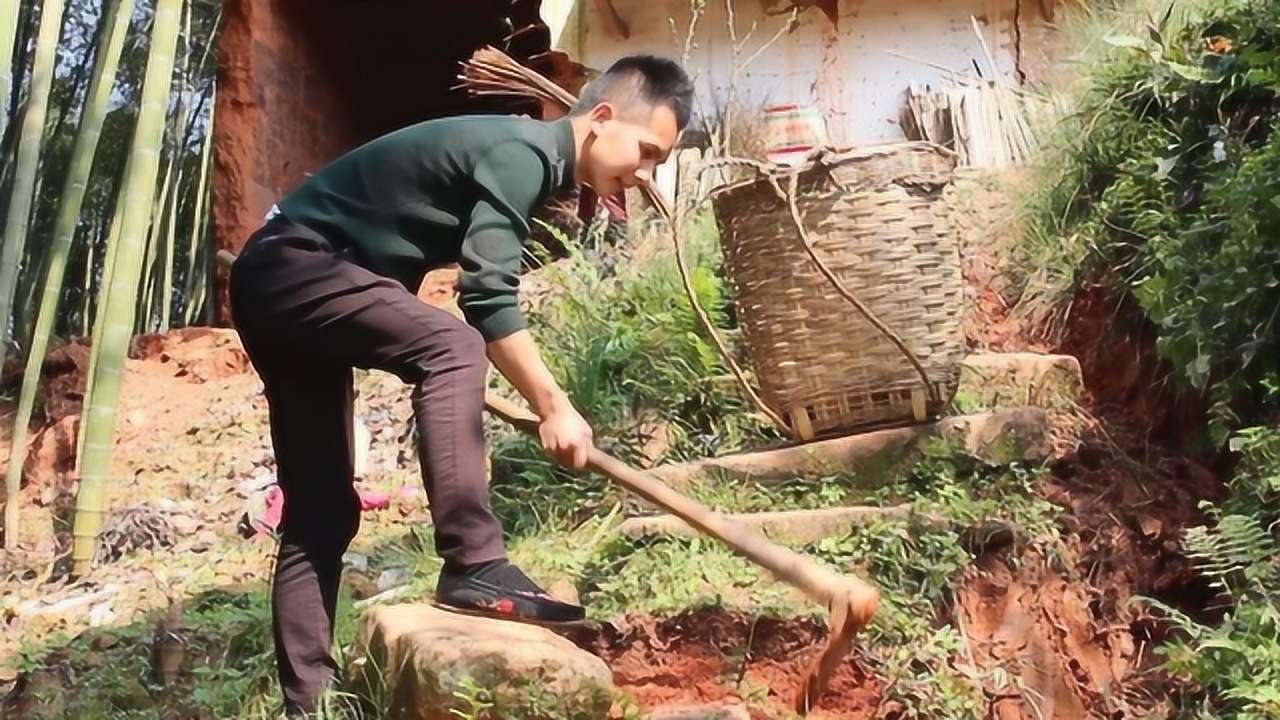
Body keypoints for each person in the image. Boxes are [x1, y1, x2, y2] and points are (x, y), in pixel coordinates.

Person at [225, 54, 695, 716]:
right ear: (603, 119)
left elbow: (394, 258)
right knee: (453, 343)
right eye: (645, 151)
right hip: (297, 268)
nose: (643, 173)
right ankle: (474, 561)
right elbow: (487, 295)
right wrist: (553, 404)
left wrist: (422, 358)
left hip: (275, 278)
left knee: (322, 511)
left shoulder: (516, 155)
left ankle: (310, 703)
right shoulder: (524, 151)